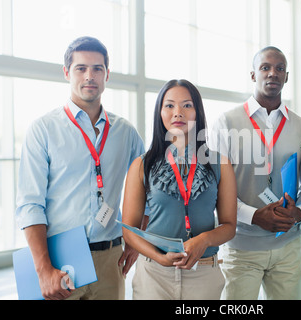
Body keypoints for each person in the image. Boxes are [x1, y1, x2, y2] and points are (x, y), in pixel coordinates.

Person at [15, 36, 145, 300]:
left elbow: (149, 189)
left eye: (98, 68)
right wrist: (43, 271)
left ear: (107, 75)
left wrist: (136, 239)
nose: (90, 76)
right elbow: (30, 205)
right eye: (81, 68)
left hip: (111, 259)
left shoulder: (126, 132)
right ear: (66, 73)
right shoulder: (43, 130)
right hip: (58, 260)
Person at [209, 46, 301, 300]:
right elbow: (214, 188)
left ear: (286, 77)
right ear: (253, 74)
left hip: (288, 247)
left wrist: (299, 213)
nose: (272, 73)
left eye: (279, 69)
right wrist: (254, 216)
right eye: (265, 67)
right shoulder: (226, 123)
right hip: (240, 249)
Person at [121, 79, 237, 300]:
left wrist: (204, 240)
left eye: (187, 105)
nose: (178, 113)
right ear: (160, 112)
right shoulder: (141, 165)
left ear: (198, 113)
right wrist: (158, 256)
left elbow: (229, 226)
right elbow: (129, 230)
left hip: (203, 273)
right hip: (154, 274)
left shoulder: (220, 163)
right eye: (169, 105)